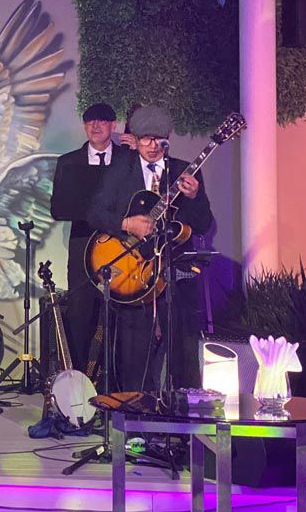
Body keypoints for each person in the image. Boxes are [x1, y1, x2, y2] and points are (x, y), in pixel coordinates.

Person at [87, 106, 213, 392]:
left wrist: (194, 196)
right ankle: (134, 413)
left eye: (159, 139)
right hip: (134, 274)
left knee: (183, 352)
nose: (153, 145)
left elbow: (204, 224)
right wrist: (126, 223)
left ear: (168, 138)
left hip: (174, 274)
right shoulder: (120, 170)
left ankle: (181, 411)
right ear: (135, 138)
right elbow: (94, 213)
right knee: (134, 358)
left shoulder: (183, 171)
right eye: (146, 138)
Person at [49, 103, 133, 375]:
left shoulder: (127, 159)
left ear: (113, 125)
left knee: (119, 313)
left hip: (121, 246)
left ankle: (118, 381)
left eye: (102, 121)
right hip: (82, 247)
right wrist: (97, 214)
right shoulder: (69, 162)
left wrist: (137, 153)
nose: (95, 126)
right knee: (80, 314)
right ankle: (77, 381)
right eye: (89, 121)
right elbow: (58, 209)